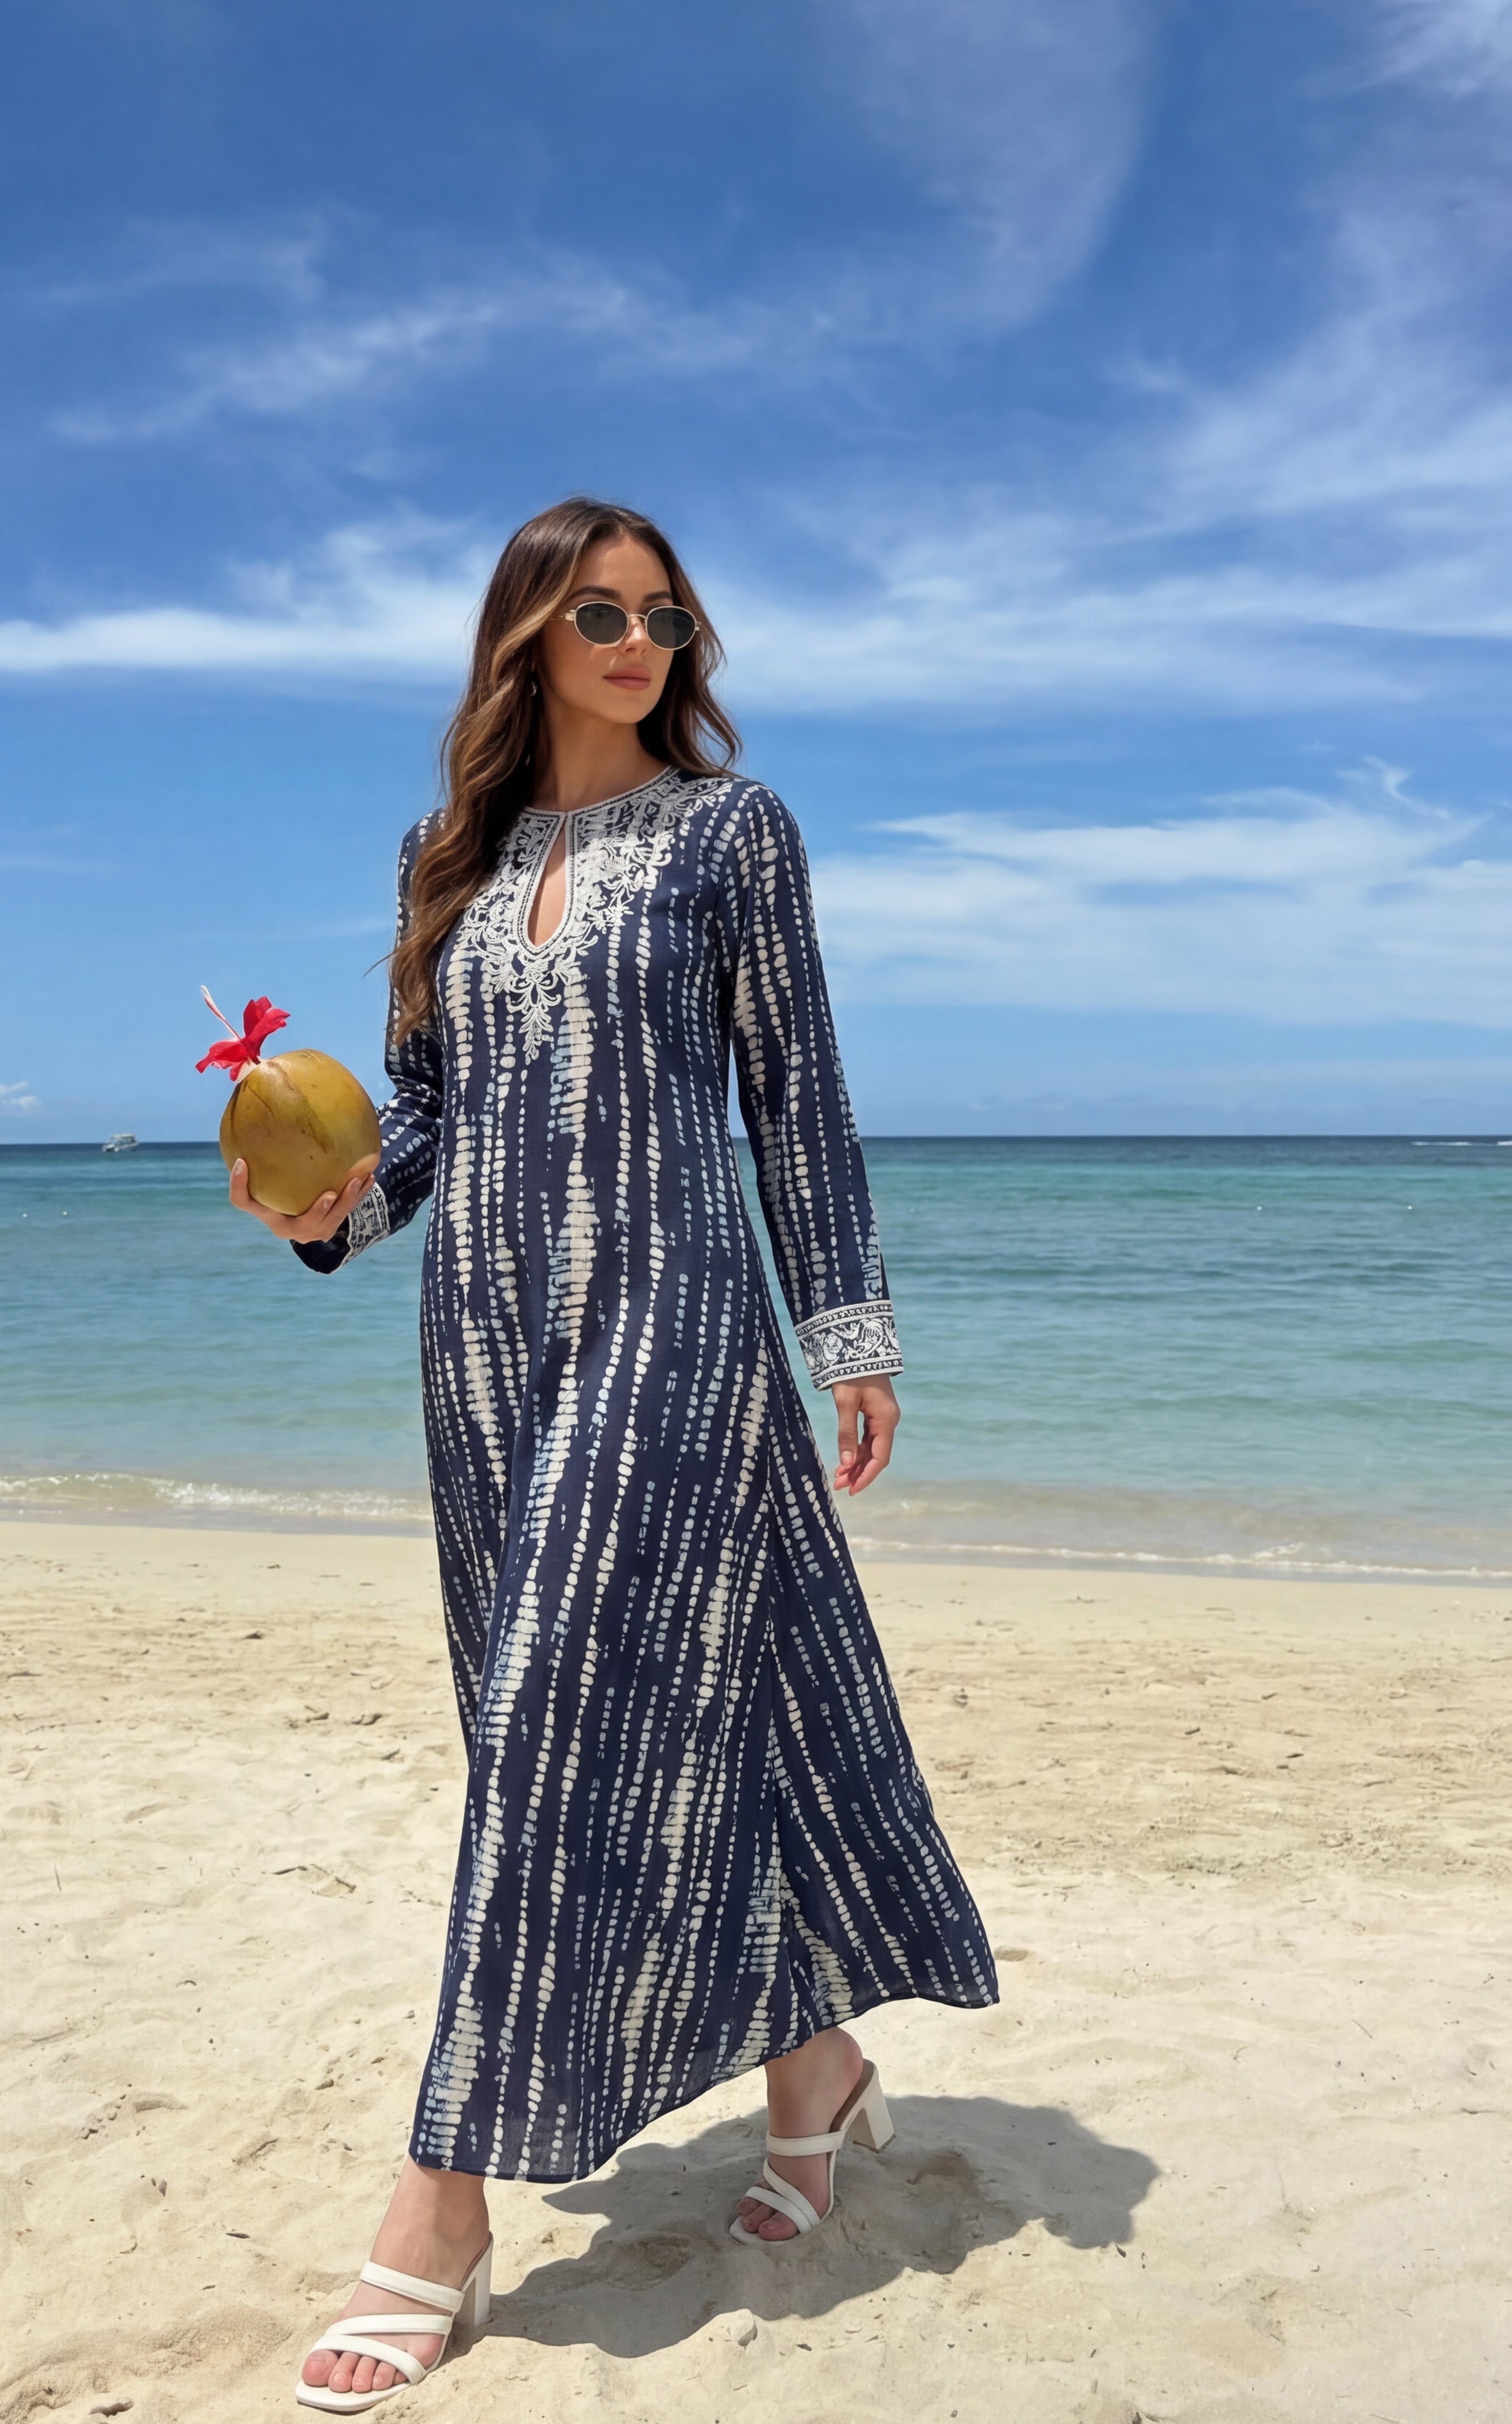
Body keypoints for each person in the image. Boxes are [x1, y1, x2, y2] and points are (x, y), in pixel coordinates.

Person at [230, 496, 997, 2411]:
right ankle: (813, 2071)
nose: (640, 639)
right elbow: (424, 1122)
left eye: (665, 614)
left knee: (568, 1711)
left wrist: (850, 1329)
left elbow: (792, 1092)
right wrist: (324, 1207)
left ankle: (440, 2206)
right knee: (563, 1725)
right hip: (486, 1353)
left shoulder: (732, 834)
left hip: (672, 1324)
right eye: (599, 610)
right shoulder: (455, 858)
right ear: (528, 638)